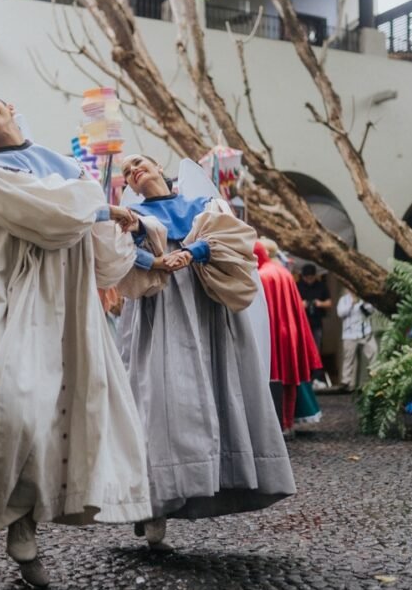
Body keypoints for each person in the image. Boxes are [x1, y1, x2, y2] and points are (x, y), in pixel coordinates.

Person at [0, 94, 152, 587]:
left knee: (80, 406)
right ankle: (15, 514)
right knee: (16, 408)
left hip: (75, 301)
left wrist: (118, 224)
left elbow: (100, 253)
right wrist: (100, 206)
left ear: (13, 109)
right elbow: (51, 221)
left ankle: (63, 509)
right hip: (20, 298)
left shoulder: (69, 166)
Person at [116, 153, 295, 552]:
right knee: (158, 401)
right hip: (158, 310)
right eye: (126, 171)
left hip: (205, 306)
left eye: (139, 162)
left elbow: (232, 240)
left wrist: (192, 253)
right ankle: (153, 499)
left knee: (216, 393)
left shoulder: (201, 205)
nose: (133, 171)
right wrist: (156, 259)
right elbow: (119, 256)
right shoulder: (129, 214)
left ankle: (214, 477)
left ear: (160, 168)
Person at [254, 239, 323, 437]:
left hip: (273, 333)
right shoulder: (281, 271)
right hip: (289, 331)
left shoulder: (263, 275)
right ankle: (287, 423)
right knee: (289, 380)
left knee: (274, 378)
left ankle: (278, 425)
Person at [337, 289, 378, 392]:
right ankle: (346, 382)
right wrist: (352, 303)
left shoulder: (364, 299)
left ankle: (375, 379)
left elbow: (370, 310)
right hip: (349, 334)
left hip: (365, 332)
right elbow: (340, 313)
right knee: (349, 358)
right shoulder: (344, 300)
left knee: (373, 352)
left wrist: (362, 303)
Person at [296, 264, 331, 357]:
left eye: (311, 278)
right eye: (306, 278)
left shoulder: (321, 286)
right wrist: (301, 305)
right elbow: (290, 304)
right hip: (302, 323)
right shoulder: (298, 286)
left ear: (315, 276)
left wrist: (320, 304)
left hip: (316, 322)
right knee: (302, 348)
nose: (309, 280)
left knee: (316, 347)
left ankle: (316, 369)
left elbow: (329, 303)